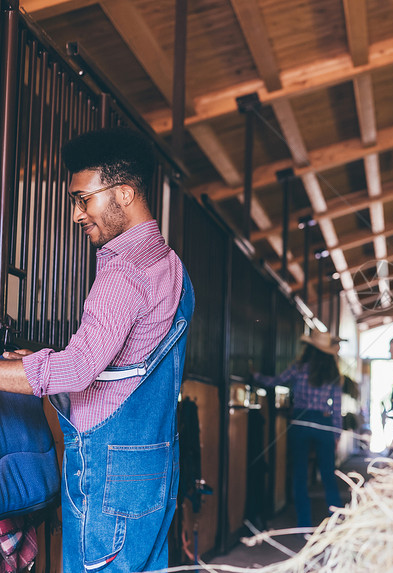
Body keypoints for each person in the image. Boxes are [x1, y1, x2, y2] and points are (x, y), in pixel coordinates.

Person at [0, 126, 194, 571]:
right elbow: (128, 361)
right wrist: (37, 360)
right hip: (155, 466)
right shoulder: (171, 266)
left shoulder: (124, 274)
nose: (75, 214)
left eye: (82, 199)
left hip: (110, 476)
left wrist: (44, 366)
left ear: (123, 193)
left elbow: (78, 370)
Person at [254, 330, 343, 528]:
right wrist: (336, 433)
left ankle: (304, 523)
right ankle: (337, 521)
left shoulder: (300, 367)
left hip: (300, 424)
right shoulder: (333, 373)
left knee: (299, 474)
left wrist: (256, 376)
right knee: (328, 474)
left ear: (309, 348)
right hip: (323, 425)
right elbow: (336, 407)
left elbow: (276, 381)